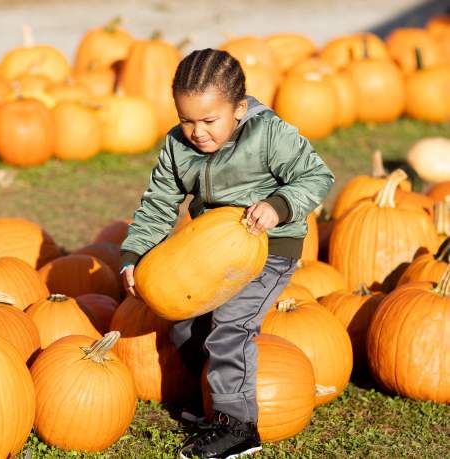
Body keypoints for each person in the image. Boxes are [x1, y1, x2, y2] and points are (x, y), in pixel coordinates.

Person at [120, 48, 334, 459]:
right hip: (211, 249)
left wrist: (279, 205)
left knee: (231, 327)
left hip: (270, 247)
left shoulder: (268, 134)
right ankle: (214, 400)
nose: (197, 132)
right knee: (183, 324)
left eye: (208, 121)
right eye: (186, 120)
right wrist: (133, 255)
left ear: (238, 108)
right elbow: (159, 205)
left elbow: (316, 175)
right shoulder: (177, 147)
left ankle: (238, 425)